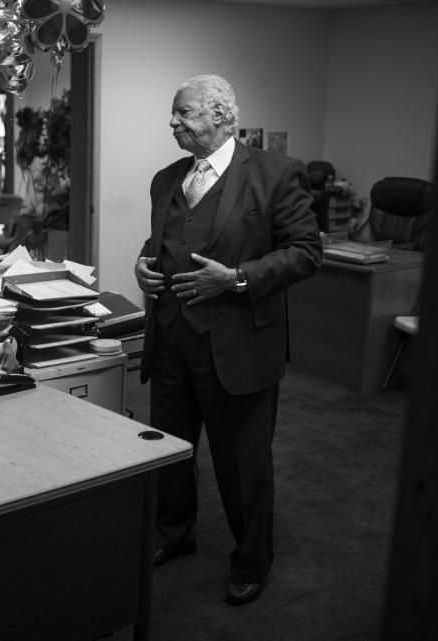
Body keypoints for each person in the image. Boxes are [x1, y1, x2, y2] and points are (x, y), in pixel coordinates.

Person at [134, 74, 322, 605]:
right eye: (173, 114)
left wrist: (236, 278)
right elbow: (160, 243)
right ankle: (175, 533)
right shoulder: (166, 178)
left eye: (184, 113)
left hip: (238, 343)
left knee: (242, 461)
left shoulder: (277, 174)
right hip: (171, 336)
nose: (172, 123)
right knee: (169, 448)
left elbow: (306, 252)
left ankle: (253, 558)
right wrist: (143, 266)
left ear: (221, 116)